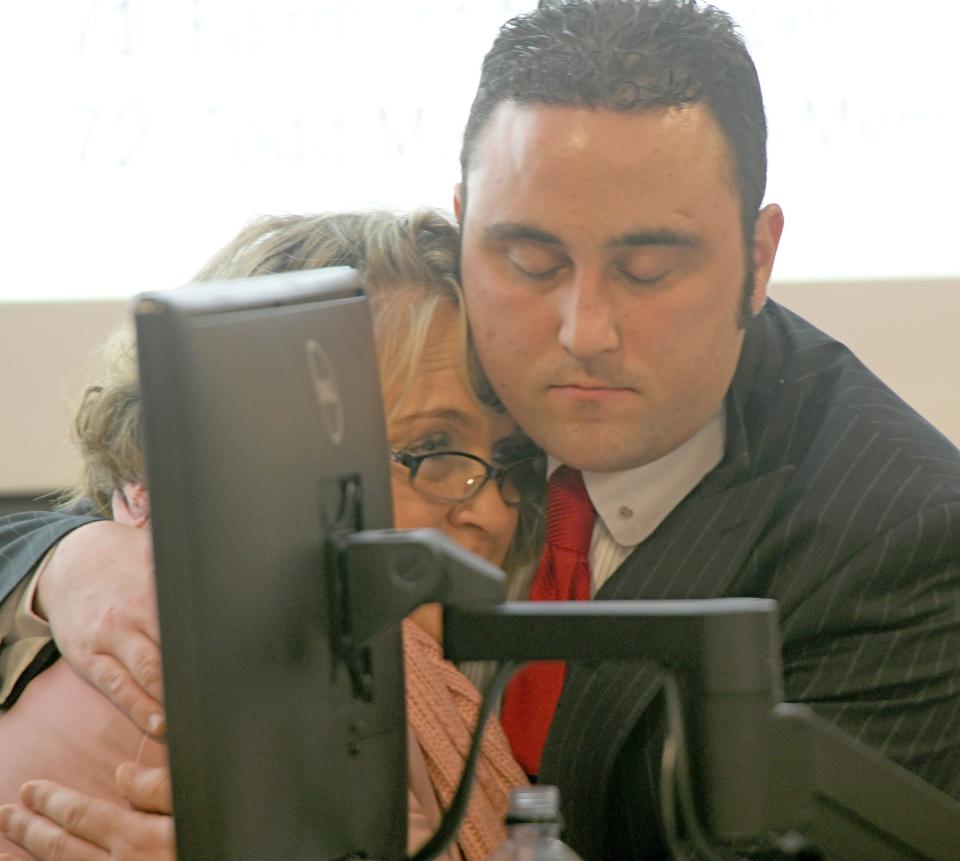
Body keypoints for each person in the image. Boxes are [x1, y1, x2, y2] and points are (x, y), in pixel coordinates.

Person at [2, 0, 960, 857]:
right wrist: (68, 560)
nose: (583, 332)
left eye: (649, 268)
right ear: (469, 230)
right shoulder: (437, 356)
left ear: (757, 258)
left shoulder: (903, 540)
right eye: (532, 259)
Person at [0, 210, 537, 861]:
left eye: (509, 460)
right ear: (254, 443)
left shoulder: (382, 665)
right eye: (431, 448)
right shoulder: (177, 697)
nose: (492, 513)